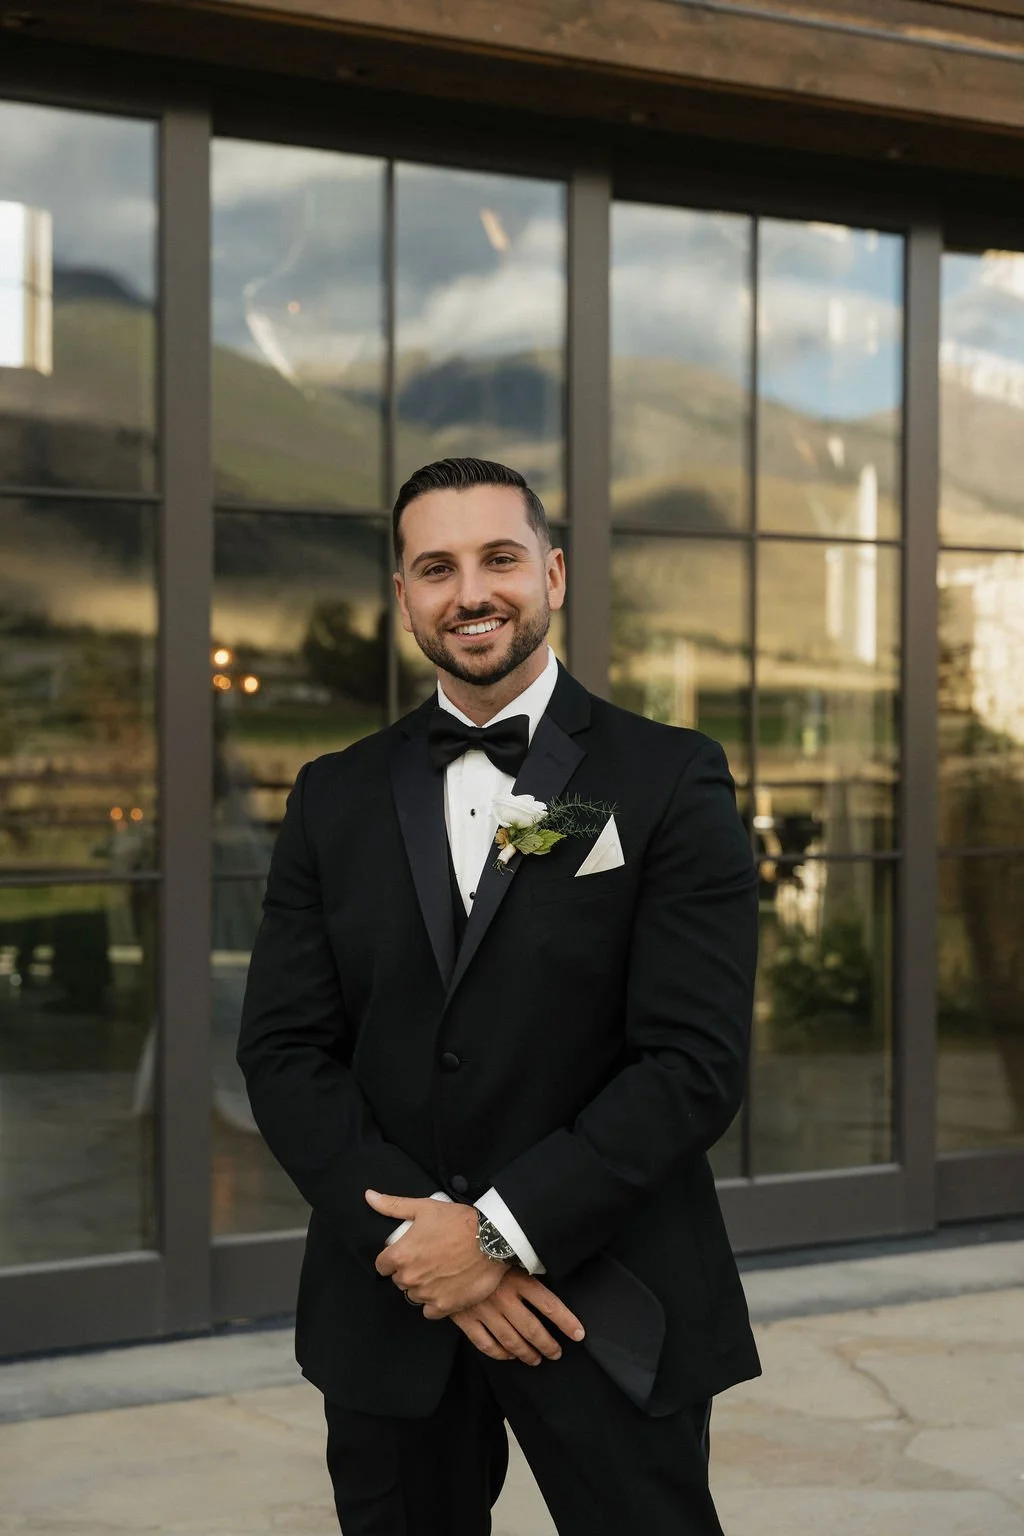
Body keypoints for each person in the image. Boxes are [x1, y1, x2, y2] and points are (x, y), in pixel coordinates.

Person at [237, 456, 761, 1536]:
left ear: (554, 575)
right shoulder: (332, 796)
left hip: (603, 1291)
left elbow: (691, 1063)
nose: (470, 592)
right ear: (404, 597)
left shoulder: (666, 778)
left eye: (499, 559)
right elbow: (285, 1051)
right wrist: (422, 1250)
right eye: (436, 567)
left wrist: (494, 1238)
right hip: (390, 1303)